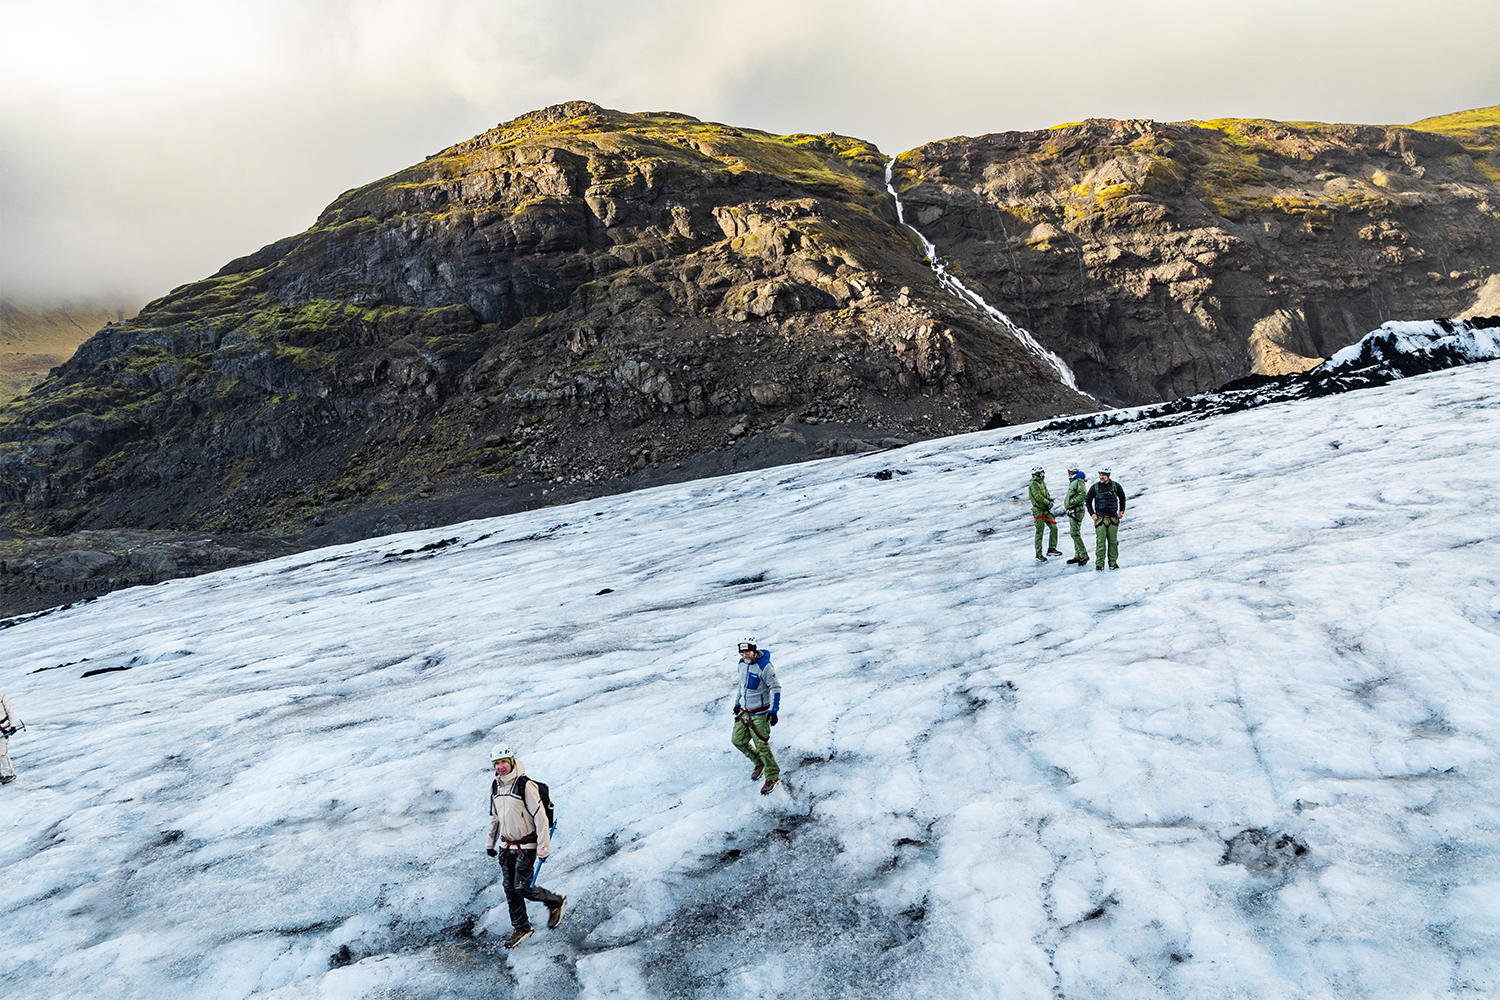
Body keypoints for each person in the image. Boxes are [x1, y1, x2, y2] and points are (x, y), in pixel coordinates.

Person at [484, 744, 565, 948]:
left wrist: (543, 847)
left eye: (503, 762)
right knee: (510, 889)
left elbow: (540, 817)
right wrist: (490, 843)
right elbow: (495, 817)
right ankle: (521, 927)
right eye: (496, 763)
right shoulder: (495, 786)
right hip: (506, 846)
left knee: (522, 887)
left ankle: (554, 901)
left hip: (526, 845)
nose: (500, 766)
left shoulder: (525, 785)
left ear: (511, 761)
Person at [731, 637, 781, 795]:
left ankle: (772, 776)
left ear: (754, 650)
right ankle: (759, 762)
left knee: (762, 746)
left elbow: (776, 688)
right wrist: (737, 703)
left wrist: (774, 711)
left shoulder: (765, 666)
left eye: (747, 651)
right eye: (742, 652)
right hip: (744, 712)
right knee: (737, 740)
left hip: (760, 714)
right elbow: (742, 685)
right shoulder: (741, 664)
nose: (744, 655)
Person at [1086, 467, 1127, 570]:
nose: (1101, 477)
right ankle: (1099, 564)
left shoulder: (1116, 486)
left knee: (1113, 542)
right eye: (1100, 474)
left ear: (1108, 475)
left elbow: (1122, 497)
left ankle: (1113, 563)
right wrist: (1092, 514)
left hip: (1113, 518)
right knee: (1101, 542)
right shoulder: (1095, 487)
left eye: (1103, 475)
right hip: (1100, 519)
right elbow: (1088, 500)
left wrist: (1121, 511)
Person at [1029, 466, 1061, 561]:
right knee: (1040, 532)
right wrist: (1048, 503)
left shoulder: (1041, 482)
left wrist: (1050, 500)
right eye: (1041, 472)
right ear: (1037, 473)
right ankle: (1038, 554)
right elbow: (1038, 497)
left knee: (1054, 527)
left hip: (1045, 510)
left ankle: (1052, 548)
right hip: (1039, 511)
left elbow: (1046, 493)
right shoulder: (1034, 484)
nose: (1043, 473)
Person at [1063, 465, 1090, 565]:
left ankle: (1083, 555)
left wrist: (1072, 501)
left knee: (1075, 533)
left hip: (1076, 510)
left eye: (1069, 472)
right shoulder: (1074, 481)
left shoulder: (1078, 481)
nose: (1068, 474)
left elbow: (1083, 494)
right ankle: (1078, 555)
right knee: (1074, 532)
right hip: (1073, 510)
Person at [0, 693, 19, 784]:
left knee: (2, 753)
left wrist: (13, 725)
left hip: (4, 729)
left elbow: (10, 711)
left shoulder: (2, 697)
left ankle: (9, 774)